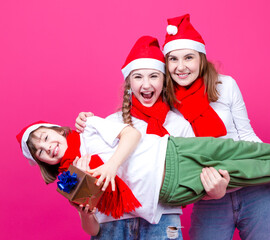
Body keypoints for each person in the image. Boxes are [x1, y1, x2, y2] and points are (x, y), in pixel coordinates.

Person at [18, 116, 270, 237]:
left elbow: (130, 135)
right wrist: (84, 212)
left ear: (54, 129)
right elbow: (95, 226)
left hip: (171, 148)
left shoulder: (89, 127)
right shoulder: (70, 181)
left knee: (236, 149)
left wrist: (109, 166)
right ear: (43, 162)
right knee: (238, 173)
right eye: (41, 151)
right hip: (168, 186)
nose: (49, 146)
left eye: (46, 137)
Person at [162, 13, 270, 239]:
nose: (181, 67)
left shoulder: (225, 86)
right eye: (173, 59)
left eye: (188, 57)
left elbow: (247, 136)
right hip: (210, 198)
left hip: (256, 189)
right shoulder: (166, 103)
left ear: (200, 58)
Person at [74, 35, 228, 239]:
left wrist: (216, 190)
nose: (146, 85)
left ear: (164, 81)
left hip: (163, 220)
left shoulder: (179, 125)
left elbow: (194, 176)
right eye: (138, 77)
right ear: (129, 83)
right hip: (113, 222)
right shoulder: (110, 122)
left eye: (153, 76)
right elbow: (86, 175)